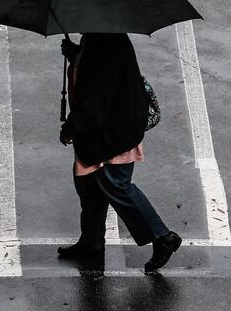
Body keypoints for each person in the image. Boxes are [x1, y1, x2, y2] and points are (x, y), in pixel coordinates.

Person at [58, 33, 181, 274]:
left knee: (117, 186)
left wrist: (70, 128)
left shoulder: (102, 45)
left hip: (111, 135)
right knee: (89, 187)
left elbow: (95, 101)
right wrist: (76, 54)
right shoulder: (98, 38)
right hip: (105, 132)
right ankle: (91, 242)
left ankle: (162, 236)